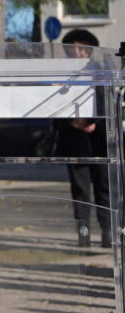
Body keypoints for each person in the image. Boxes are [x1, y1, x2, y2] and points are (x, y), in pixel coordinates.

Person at [59, 28, 113, 249]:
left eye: (81, 47)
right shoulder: (62, 74)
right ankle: (83, 233)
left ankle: (108, 232)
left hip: (99, 138)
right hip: (74, 138)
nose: (76, 52)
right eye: (72, 48)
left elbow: (107, 100)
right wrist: (70, 122)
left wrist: (94, 122)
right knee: (79, 189)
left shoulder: (101, 71)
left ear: (88, 50)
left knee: (104, 186)